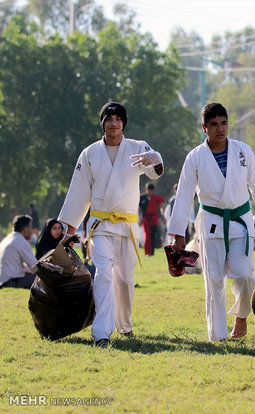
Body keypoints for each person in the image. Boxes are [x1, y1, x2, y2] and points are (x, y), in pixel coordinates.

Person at [167, 102, 255, 341]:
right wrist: (178, 233)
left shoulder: (243, 151)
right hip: (210, 223)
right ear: (204, 128)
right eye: (214, 125)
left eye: (223, 123)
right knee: (214, 281)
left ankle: (241, 316)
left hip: (240, 220)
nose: (220, 129)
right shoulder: (195, 158)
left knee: (244, 274)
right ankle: (217, 335)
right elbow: (184, 196)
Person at [57, 102, 164, 348]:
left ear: (123, 123)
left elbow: (155, 171)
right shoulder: (90, 153)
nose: (113, 123)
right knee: (104, 275)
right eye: (109, 119)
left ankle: (124, 325)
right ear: (103, 123)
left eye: (118, 119)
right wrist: (70, 231)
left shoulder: (137, 147)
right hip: (100, 225)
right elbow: (79, 193)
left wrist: (154, 159)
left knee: (125, 280)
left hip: (126, 226)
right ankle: (101, 332)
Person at [0, 215, 38, 289]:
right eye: (30, 228)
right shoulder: (21, 242)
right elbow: (35, 267)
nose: (31, 231)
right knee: (40, 279)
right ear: (25, 229)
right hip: (10, 282)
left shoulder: (7, 239)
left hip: (3, 280)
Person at [139, 183, 165, 256]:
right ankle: (147, 252)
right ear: (146, 190)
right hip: (145, 218)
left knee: (153, 235)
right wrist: (139, 218)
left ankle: (152, 252)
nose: (150, 192)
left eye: (151, 190)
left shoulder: (156, 197)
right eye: (149, 190)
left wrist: (162, 215)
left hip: (154, 218)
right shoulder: (142, 198)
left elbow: (161, 206)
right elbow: (139, 208)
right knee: (147, 235)